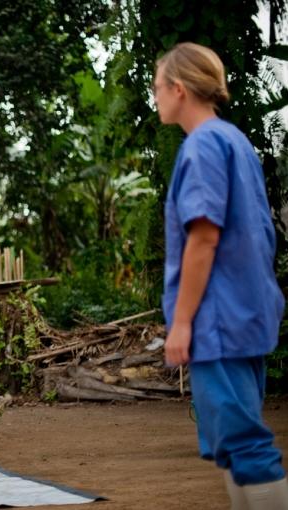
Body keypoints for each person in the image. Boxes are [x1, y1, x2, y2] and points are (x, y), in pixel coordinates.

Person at [156, 42, 288, 508]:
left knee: (246, 444)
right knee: (233, 446)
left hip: (219, 320)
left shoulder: (204, 146)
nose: (155, 98)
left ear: (178, 90)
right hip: (245, 313)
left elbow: (204, 238)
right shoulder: (234, 141)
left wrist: (185, 321)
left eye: (157, 88)